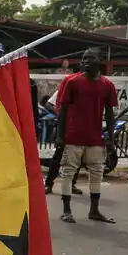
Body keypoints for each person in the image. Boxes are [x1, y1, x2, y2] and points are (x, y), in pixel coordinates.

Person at [56, 48, 117, 224]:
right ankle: (66, 210)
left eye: (90, 58)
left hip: (95, 138)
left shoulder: (107, 85)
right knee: (68, 173)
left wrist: (111, 139)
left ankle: (94, 210)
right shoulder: (73, 82)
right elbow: (63, 111)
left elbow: (110, 113)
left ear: (100, 61)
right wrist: (61, 136)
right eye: (84, 58)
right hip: (74, 136)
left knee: (97, 173)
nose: (86, 61)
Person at [44, 61, 84, 195]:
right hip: (65, 127)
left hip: (79, 128)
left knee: (77, 158)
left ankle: (72, 184)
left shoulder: (89, 88)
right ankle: (48, 184)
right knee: (58, 156)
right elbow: (49, 103)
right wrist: (60, 115)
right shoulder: (69, 85)